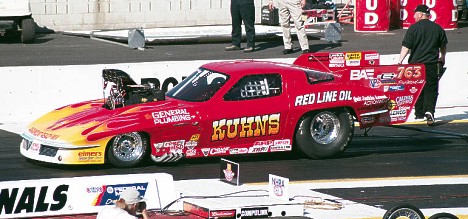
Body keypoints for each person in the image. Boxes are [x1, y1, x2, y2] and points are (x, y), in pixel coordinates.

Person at [397, 4, 447, 126]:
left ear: (420, 14)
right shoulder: (437, 28)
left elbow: (406, 46)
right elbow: (443, 46)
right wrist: (442, 57)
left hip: (415, 66)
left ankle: (419, 113)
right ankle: (429, 111)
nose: (414, 16)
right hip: (431, 64)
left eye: (415, 14)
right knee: (431, 89)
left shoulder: (413, 28)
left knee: (416, 88)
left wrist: (400, 61)